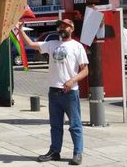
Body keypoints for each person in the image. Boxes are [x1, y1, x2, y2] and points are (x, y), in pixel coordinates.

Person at [18, 19, 89, 165]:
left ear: (72, 28)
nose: (62, 28)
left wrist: (72, 80)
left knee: (75, 124)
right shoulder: (52, 44)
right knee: (55, 125)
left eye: (65, 26)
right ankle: (55, 151)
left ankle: (78, 152)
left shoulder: (77, 47)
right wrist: (20, 30)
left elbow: (85, 70)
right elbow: (31, 44)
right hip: (54, 91)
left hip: (70, 92)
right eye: (60, 26)